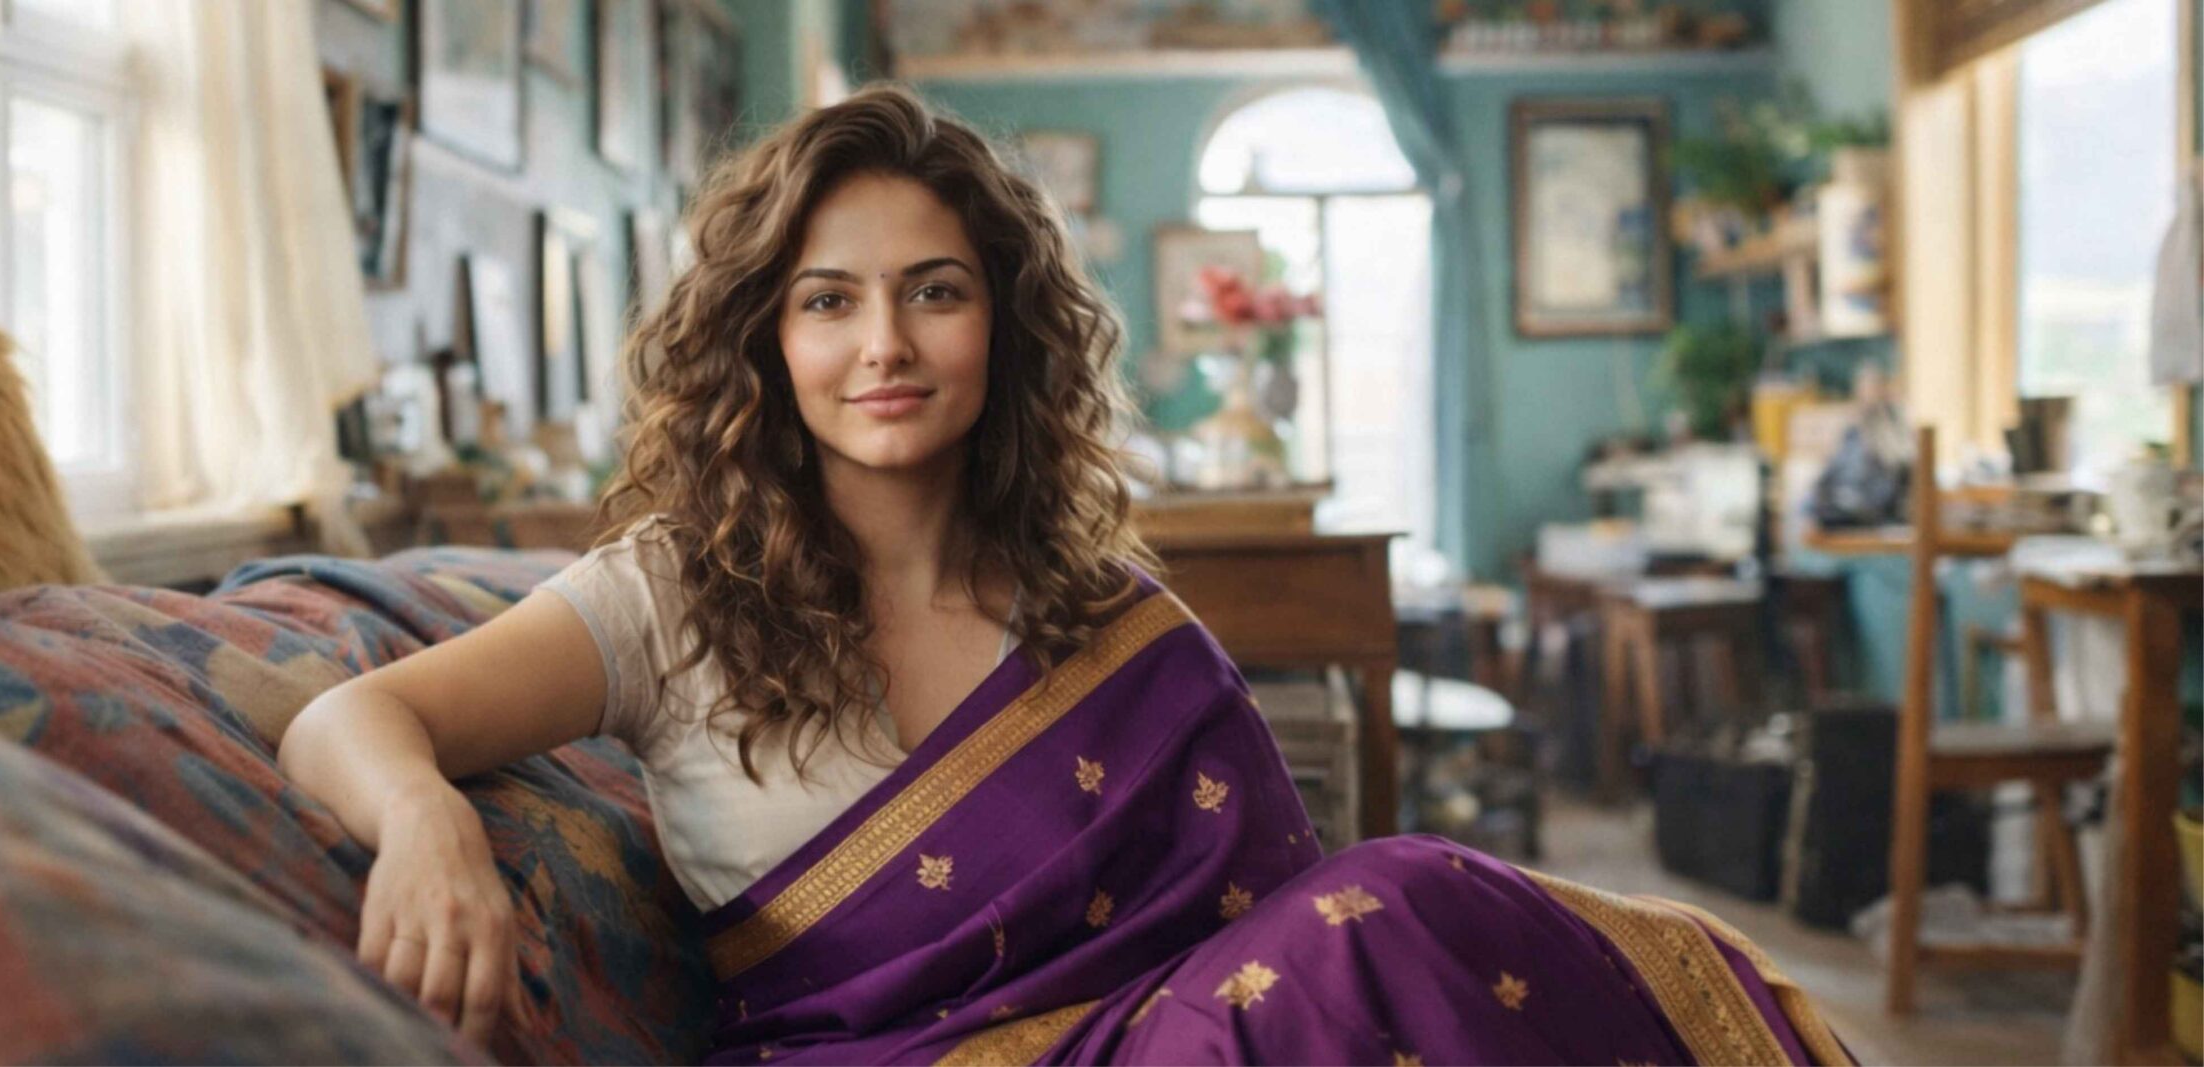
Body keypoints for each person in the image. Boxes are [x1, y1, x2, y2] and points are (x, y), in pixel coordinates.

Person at [279, 85, 1852, 1066]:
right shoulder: (667, 596)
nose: (884, 345)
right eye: (827, 302)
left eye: (934, 292)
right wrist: (423, 821)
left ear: (1005, 327)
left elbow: (1271, 924)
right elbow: (346, 718)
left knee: (1393, 913)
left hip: (1179, 1051)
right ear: (765, 341)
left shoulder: (1102, 613)